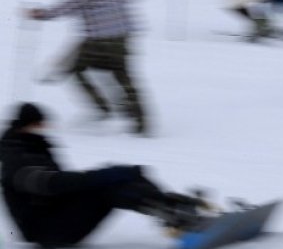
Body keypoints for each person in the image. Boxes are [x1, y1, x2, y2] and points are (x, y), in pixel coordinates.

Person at [0, 102, 211, 248]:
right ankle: (176, 216)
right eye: (39, 124)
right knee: (108, 186)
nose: (44, 128)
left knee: (123, 176)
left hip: (55, 217)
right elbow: (51, 184)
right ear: (25, 127)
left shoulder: (35, 147)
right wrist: (101, 176)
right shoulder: (15, 158)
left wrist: (110, 174)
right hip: (45, 232)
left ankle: (173, 208)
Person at [26, 0, 171, 135]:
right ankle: (141, 122)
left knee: (74, 68)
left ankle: (102, 108)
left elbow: (74, 3)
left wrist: (42, 14)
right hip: (123, 31)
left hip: (99, 35)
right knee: (123, 75)